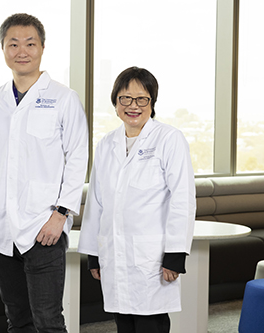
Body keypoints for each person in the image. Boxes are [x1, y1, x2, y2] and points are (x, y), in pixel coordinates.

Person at [0, 13, 88, 332]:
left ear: (42, 48)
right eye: (13, 43)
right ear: (3, 49)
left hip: (44, 227)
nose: (21, 50)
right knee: (17, 318)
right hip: (0, 227)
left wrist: (61, 214)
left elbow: (78, 158)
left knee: (48, 319)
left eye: (30, 43)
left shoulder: (64, 98)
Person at [78, 66, 196, 333]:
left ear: (152, 102)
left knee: (149, 323)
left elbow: (182, 199)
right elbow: (96, 202)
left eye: (141, 98)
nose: (133, 106)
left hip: (151, 256)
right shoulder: (107, 143)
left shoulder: (169, 139)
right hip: (115, 254)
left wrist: (176, 254)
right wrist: (93, 254)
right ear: (116, 102)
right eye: (125, 98)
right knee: (124, 322)